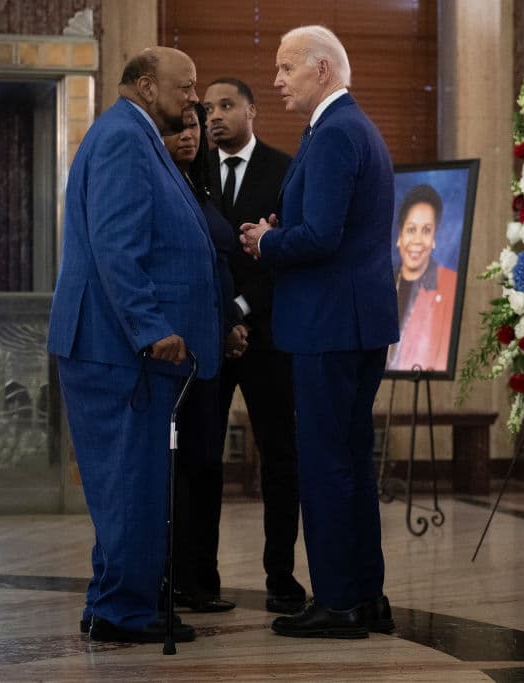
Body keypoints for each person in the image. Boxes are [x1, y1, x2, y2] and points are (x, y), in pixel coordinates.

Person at [47, 47, 219, 644]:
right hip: (120, 348)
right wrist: (150, 328)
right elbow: (117, 247)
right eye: (185, 86)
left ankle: (111, 602)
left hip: (117, 347)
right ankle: (123, 613)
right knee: (129, 482)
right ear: (146, 86)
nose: (194, 98)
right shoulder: (124, 138)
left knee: (129, 481)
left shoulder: (133, 133)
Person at [240, 25, 399, 639]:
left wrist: (267, 241)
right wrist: (283, 230)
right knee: (351, 461)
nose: (277, 80)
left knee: (326, 464)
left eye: (287, 68)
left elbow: (323, 238)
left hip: (328, 326)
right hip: (353, 323)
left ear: (323, 70)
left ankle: (336, 602)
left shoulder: (334, 133)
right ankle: (366, 596)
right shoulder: (351, 127)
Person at [202, 77, 306, 614]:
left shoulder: (285, 170)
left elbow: (287, 254)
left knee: (280, 459)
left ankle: (280, 578)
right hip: (209, 339)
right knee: (202, 458)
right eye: (207, 108)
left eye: (226, 105)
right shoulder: (191, 170)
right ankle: (199, 577)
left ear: (252, 110)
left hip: (267, 337)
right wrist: (221, 319)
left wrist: (239, 311)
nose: (214, 116)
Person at [162, 103, 247, 613]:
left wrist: (232, 321)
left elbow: (220, 268)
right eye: (177, 127)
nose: (188, 135)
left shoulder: (201, 186)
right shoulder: (159, 184)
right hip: (174, 354)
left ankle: (200, 582)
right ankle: (172, 580)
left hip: (211, 349)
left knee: (206, 468)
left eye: (193, 125)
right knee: (178, 474)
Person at [386, 184, 457, 373]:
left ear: (434, 238)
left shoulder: (450, 285)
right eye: (411, 229)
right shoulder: (381, 284)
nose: (417, 240)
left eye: (426, 230)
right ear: (400, 236)